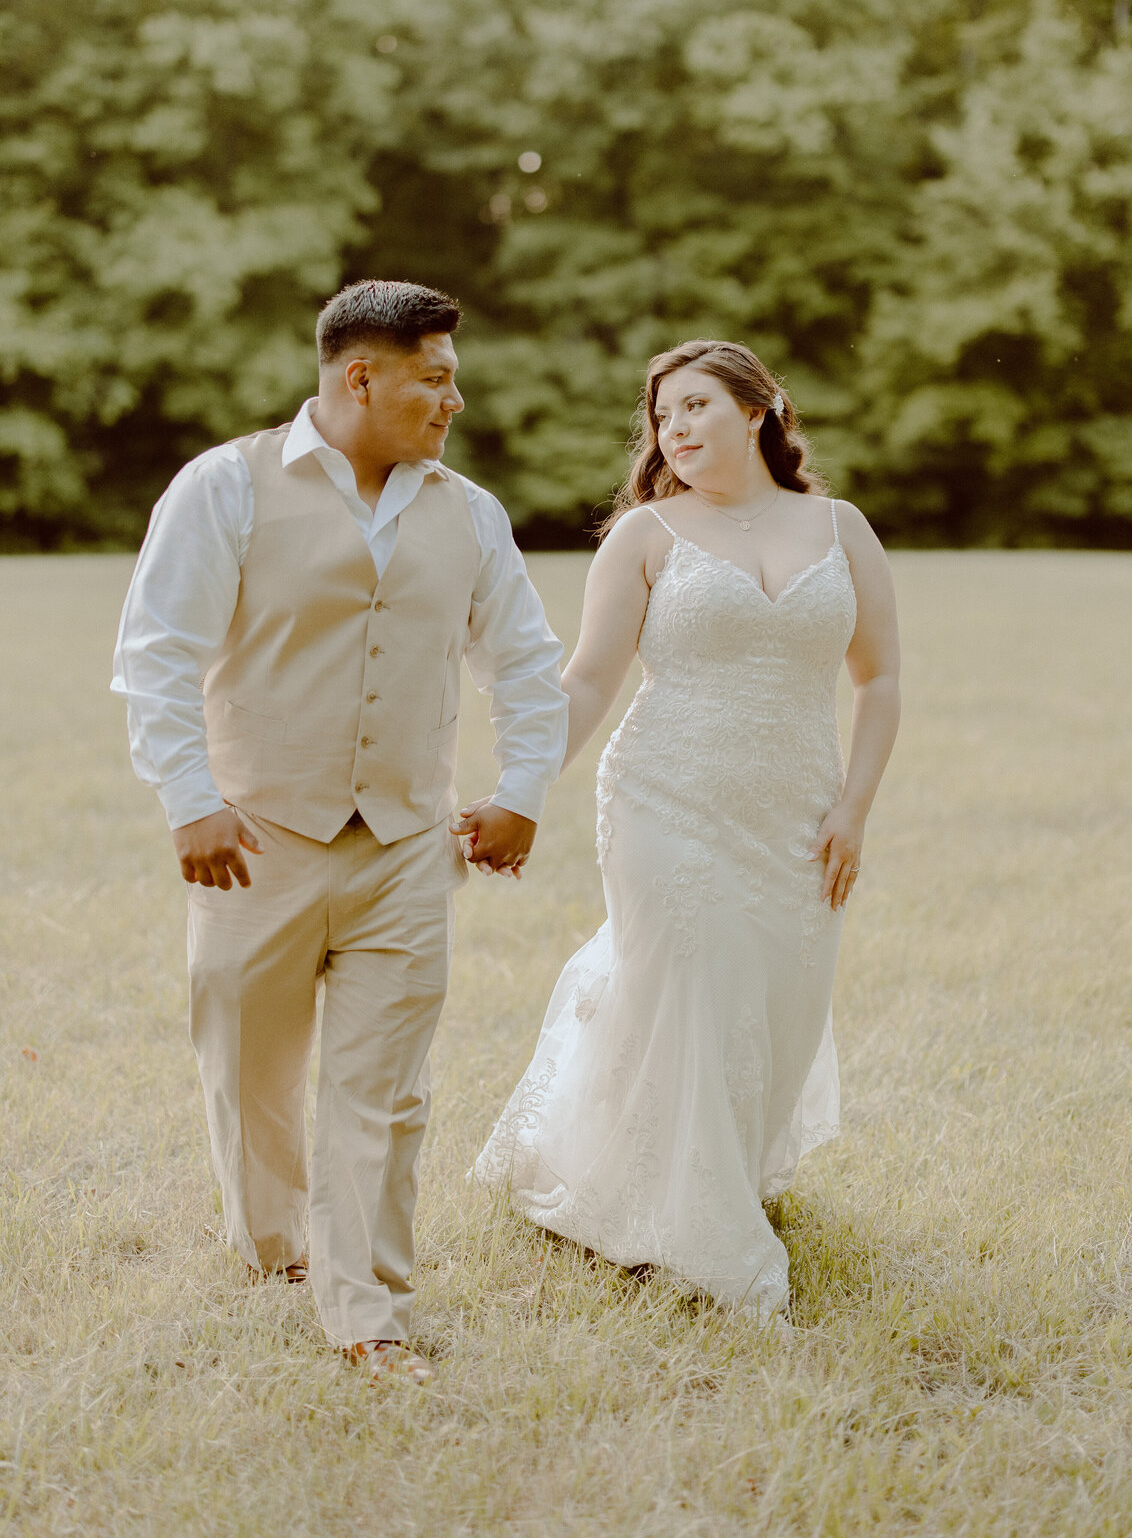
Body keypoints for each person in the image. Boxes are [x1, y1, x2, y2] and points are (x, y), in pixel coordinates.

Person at [112, 280, 568, 1383]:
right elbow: (157, 655)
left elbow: (524, 663)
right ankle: (273, 1248)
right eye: (435, 376)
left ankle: (366, 1308)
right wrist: (190, 801)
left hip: (409, 845)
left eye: (453, 375)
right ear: (359, 378)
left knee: (384, 1088)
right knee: (249, 1065)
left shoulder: (468, 511)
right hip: (253, 839)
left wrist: (522, 788)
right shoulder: (225, 486)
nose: (454, 398)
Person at [470, 339, 900, 1323]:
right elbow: (587, 682)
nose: (676, 428)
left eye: (697, 405)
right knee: (697, 989)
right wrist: (520, 789)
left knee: (772, 1004)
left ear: (758, 409)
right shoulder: (645, 538)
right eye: (663, 416)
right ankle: (712, 1247)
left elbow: (882, 681)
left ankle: (689, 1177)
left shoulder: (842, 530)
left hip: (797, 813)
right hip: (663, 799)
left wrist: (855, 809)